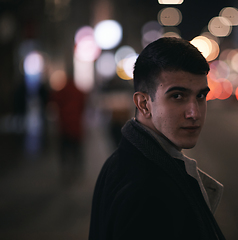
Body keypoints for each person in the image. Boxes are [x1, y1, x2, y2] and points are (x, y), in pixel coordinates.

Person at [89, 37, 226, 240]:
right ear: (144, 104)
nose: (194, 113)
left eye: (200, 96)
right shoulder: (148, 190)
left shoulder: (120, 162)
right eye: (177, 96)